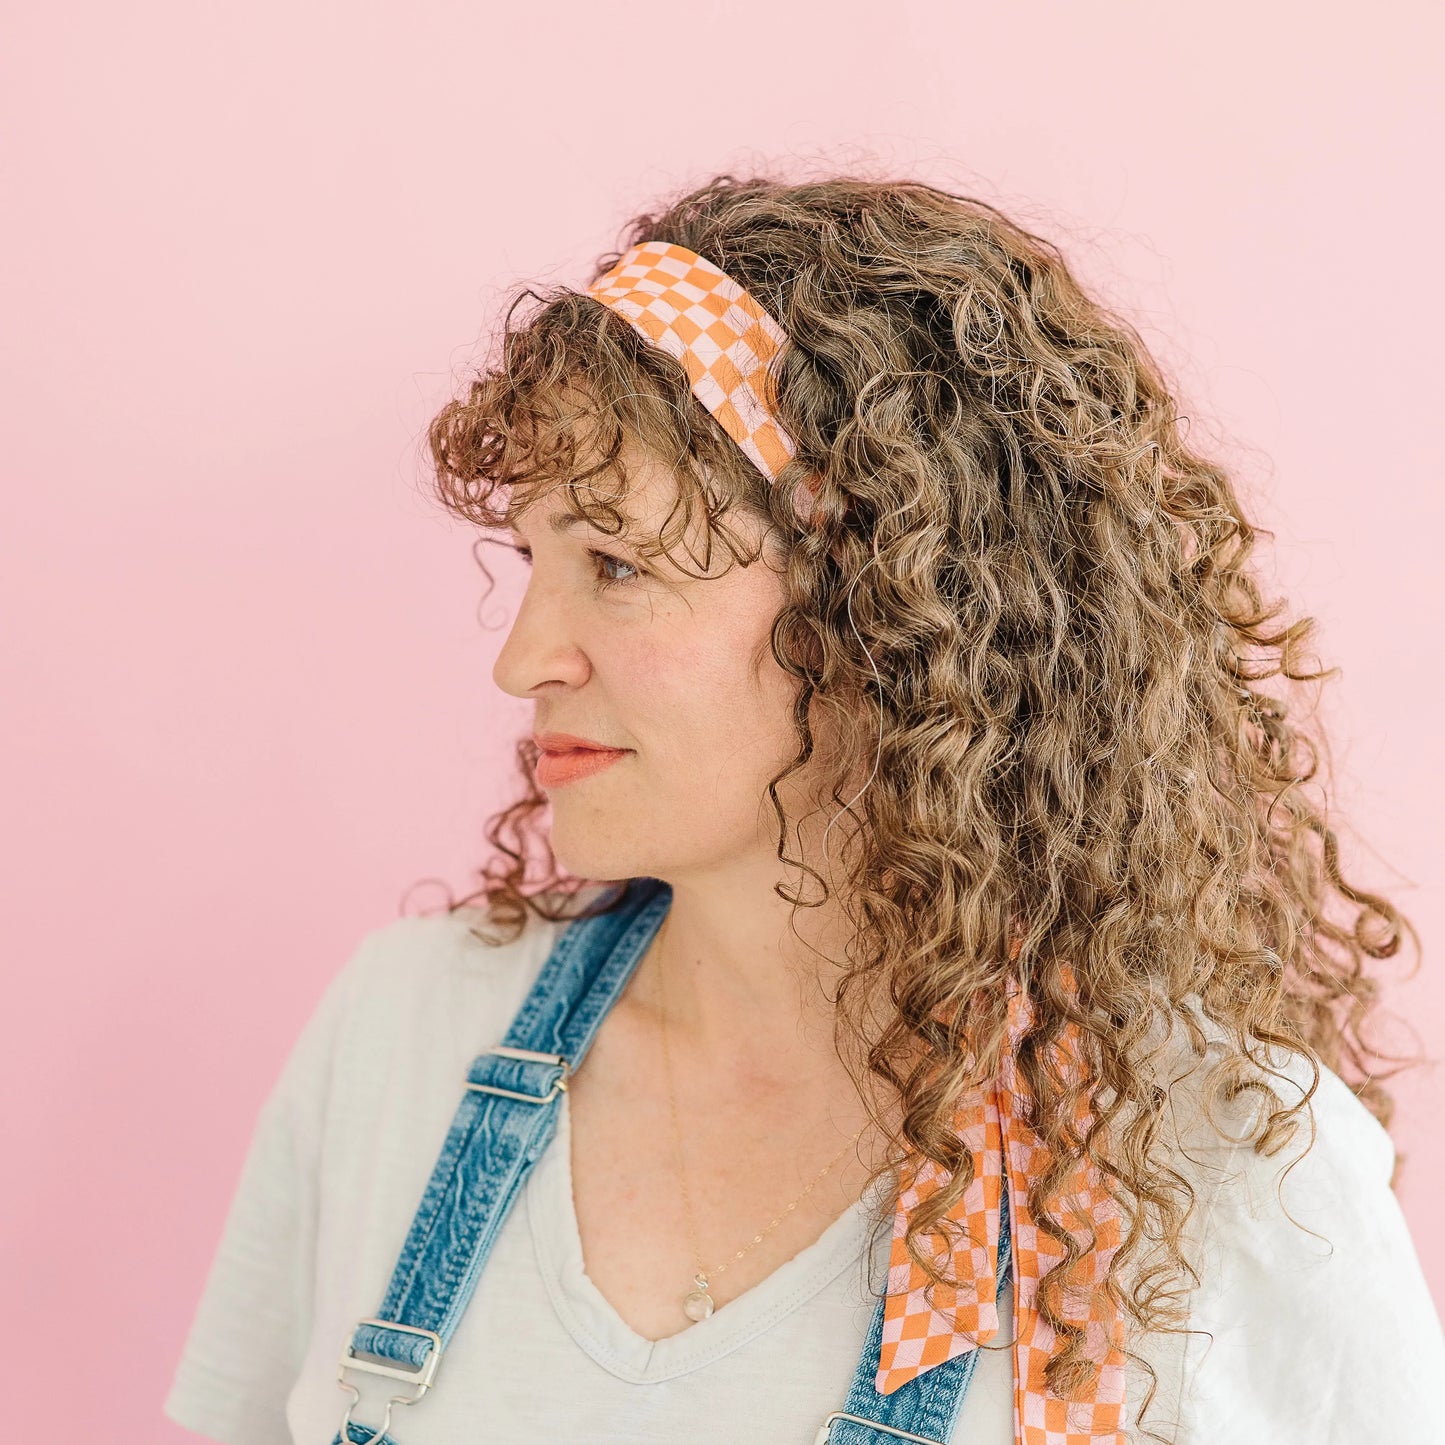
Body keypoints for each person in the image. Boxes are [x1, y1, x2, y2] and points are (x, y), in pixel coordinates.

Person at [163, 173, 1445, 1445]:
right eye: (532, 559)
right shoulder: (401, 1032)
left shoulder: (1221, 1165)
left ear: (885, 608)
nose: (523, 658)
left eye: (615, 562)